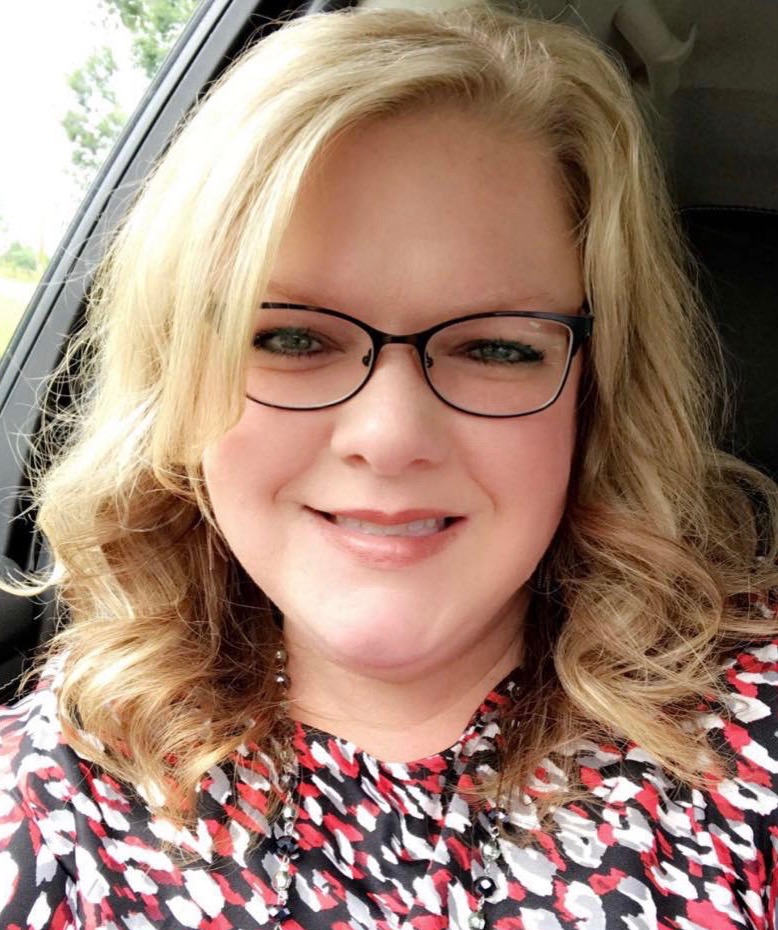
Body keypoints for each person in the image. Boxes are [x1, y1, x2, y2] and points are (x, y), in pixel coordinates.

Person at [1, 5, 777, 928]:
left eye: (497, 348)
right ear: (180, 375)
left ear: (597, 392)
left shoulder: (750, 734)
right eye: (289, 337)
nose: (390, 434)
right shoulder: (58, 786)